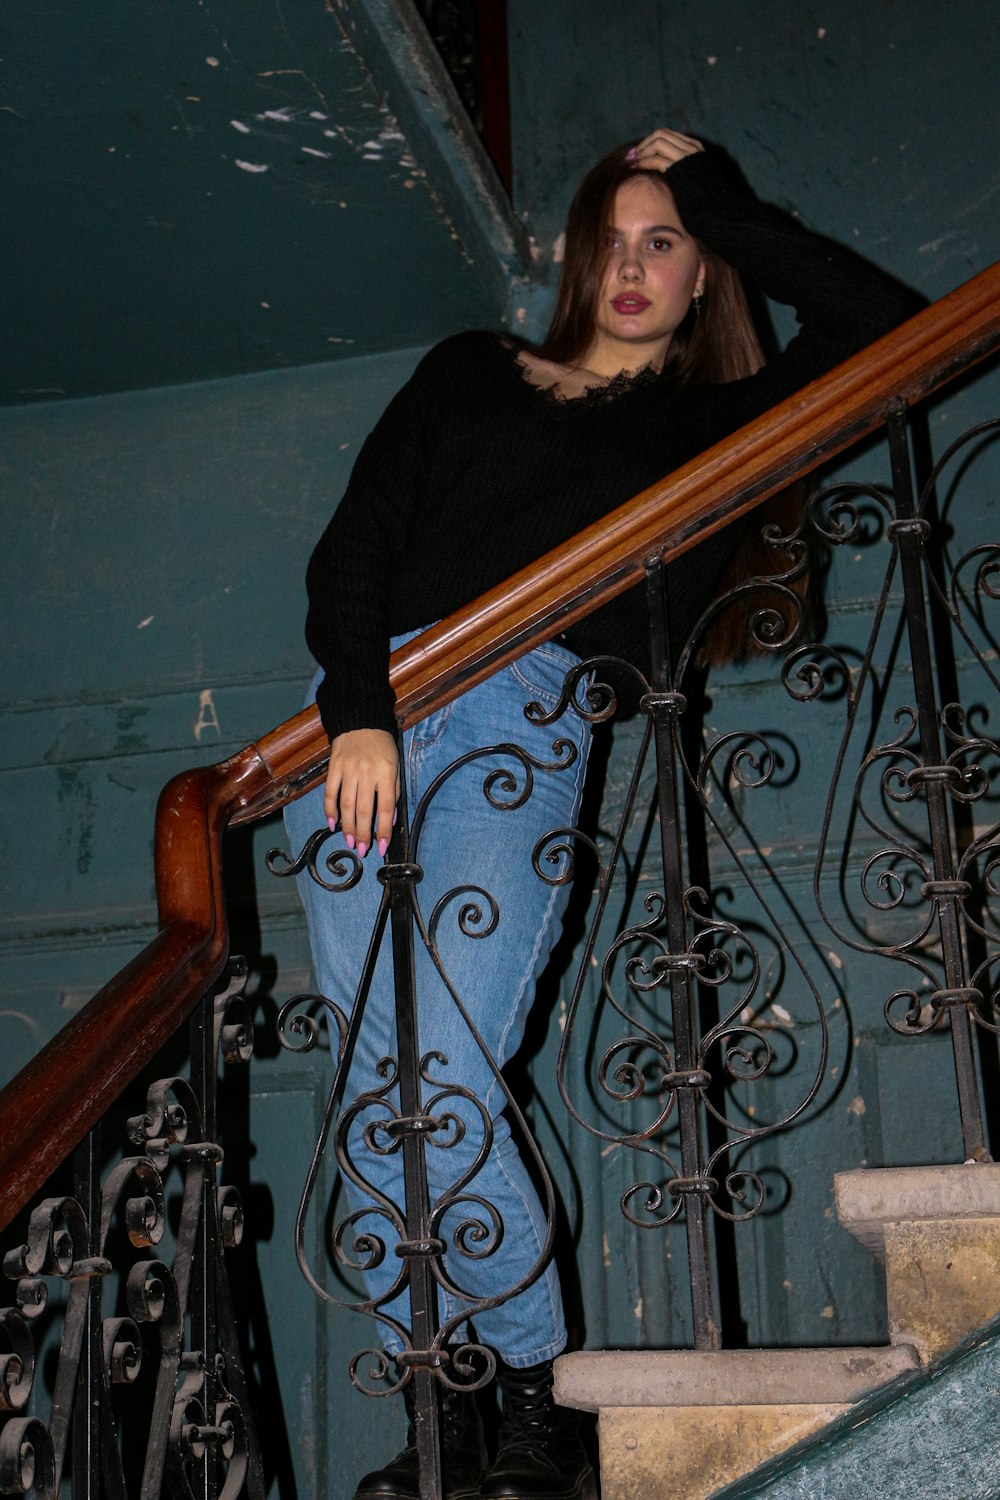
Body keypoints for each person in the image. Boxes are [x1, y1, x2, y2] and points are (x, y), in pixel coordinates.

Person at [285, 127, 918, 1500]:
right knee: (379, 1097)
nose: (631, 266)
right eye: (614, 238)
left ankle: (520, 1385)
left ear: (704, 275)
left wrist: (721, 196)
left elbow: (885, 325)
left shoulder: (712, 426)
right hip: (362, 726)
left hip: (525, 721)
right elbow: (357, 542)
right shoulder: (471, 368)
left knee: (433, 1078)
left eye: (665, 241)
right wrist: (357, 712)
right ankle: (451, 1416)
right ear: (575, 259)